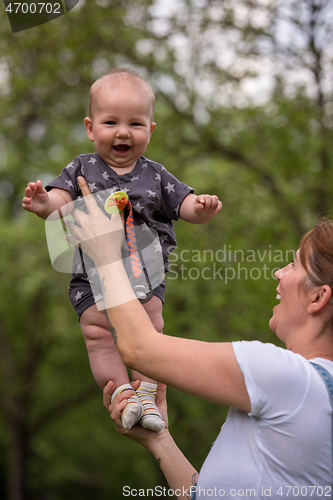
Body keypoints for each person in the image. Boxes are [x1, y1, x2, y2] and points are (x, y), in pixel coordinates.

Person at [66, 177, 333, 499]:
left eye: (294, 264)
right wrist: (158, 439)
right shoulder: (309, 393)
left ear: (319, 297)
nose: (279, 272)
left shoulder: (289, 379)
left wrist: (105, 253)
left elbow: (139, 348)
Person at [22, 67, 222, 433]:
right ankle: (121, 395)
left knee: (150, 332)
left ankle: (146, 392)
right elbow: (62, 200)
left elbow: (183, 205)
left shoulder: (157, 175)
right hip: (91, 276)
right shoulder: (81, 167)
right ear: (90, 127)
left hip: (145, 274)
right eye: (111, 122)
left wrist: (201, 208)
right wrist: (44, 203)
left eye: (135, 124)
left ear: (150, 129)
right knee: (97, 333)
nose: (123, 132)